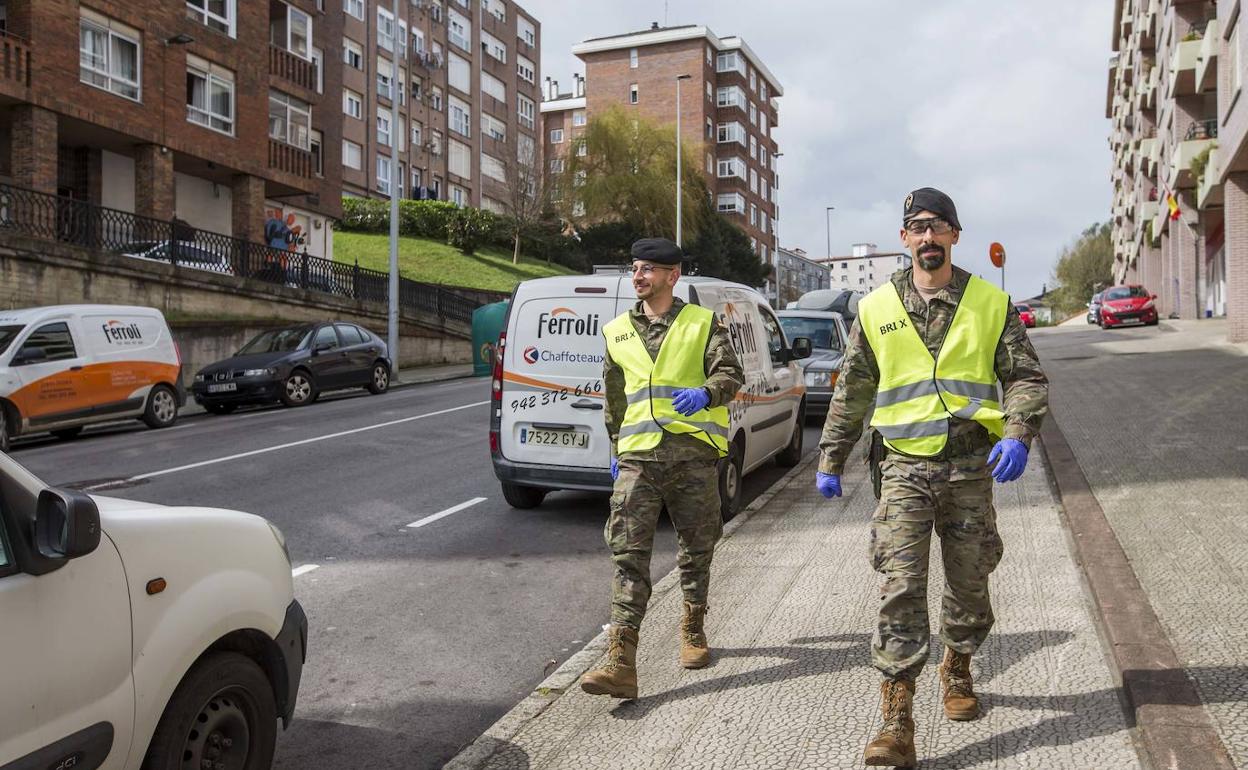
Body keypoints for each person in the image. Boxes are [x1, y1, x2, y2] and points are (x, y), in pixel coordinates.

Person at [815, 188, 1049, 767]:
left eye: (937, 226)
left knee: (970, 583)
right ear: (903, 239)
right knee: (900, 587)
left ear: (954, 235)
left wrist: (1017, 433)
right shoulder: (873, 309)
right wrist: (830, 458)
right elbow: (852, 391)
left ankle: (959, 666)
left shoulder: (991, 303)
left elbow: (1025, 377)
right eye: (916, 227)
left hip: (971, 467)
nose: (927, 237)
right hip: (902, 469)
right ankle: (897, 719)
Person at [580, 237, 744, 700]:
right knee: (628, 555)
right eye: (635, 268)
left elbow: (730, 375)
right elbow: (615, 399)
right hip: (637, 460)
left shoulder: (703, 323)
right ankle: (621, 662)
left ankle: (692, 626)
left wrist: (707, 394)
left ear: (673, 276)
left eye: (648, 269)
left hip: (692, 457)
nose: (638, 276)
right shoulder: (616, 332)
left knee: (697, 547)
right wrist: (616, 448)